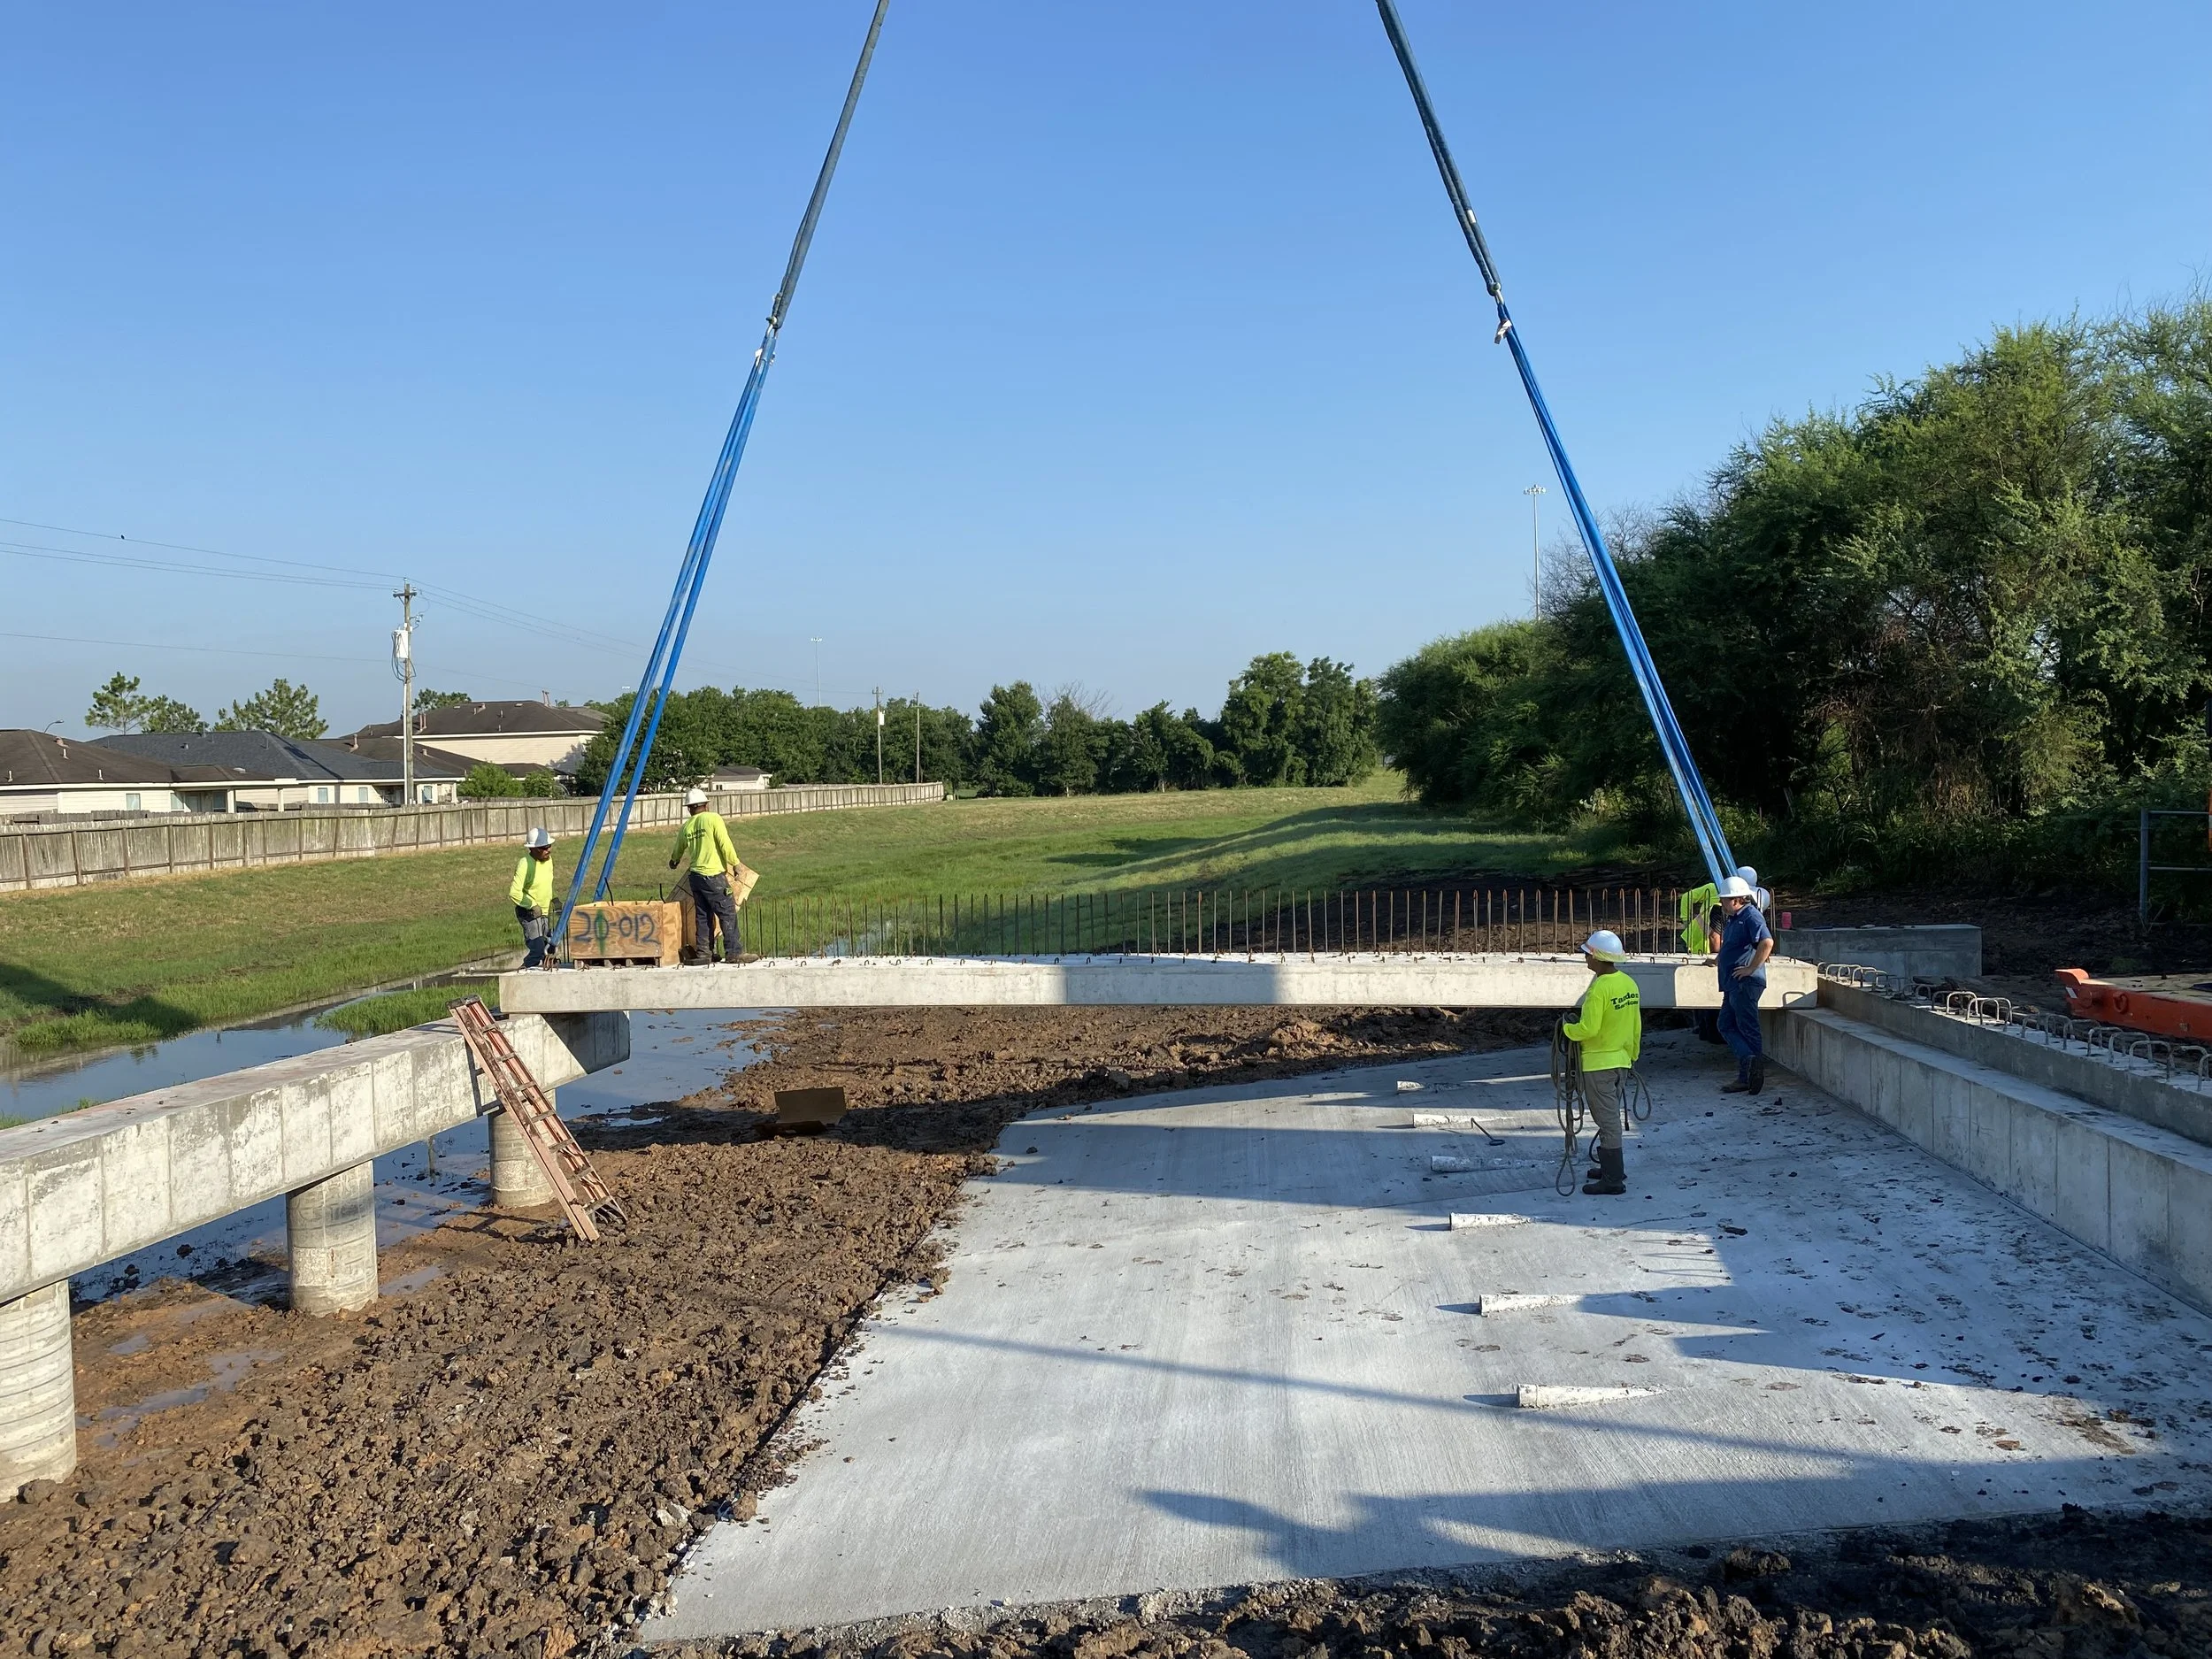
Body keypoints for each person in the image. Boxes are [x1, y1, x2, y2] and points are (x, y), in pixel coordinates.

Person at [1562, 929, 1641, 1196]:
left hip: (1599, 1065)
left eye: (1588, 954)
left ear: (1597, 956)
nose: (1586, 959)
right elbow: (1636, 1026)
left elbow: (1589, 1029)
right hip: (1621, 1061)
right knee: (1610, 1117)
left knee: (1607, 1121)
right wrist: (1632, 1055)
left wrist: (1567, 1030)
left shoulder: (1599, 989)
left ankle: (1613, 1179)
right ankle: (1611, 1168)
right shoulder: (1628, 984)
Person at [669, 786, 744, 964]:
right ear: (706, 805)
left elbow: (678, 850)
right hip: (714, 876)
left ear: (689, 808)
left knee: (703, 915)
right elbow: (724, 843)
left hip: (695, 878)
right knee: (727, 912)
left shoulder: (687, 826)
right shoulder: (713, 819)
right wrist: (736, 863)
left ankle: (704, 953)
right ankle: (733, 953)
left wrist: (674, 861)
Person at [1714, 875, 1774, 1093]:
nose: (1722, 903)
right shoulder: (1734, 917)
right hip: (1733, 983)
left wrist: (1750, 969)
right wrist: (1718, 959)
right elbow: (1733, 946)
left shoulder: (1751, 916)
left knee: (1747, 1028)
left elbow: (1767, 942)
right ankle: (1747, 1066)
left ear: (1737, 899)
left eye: (1724, 899)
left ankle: (1751, 1072)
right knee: (1725, 1025)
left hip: (1745, 983)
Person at [509, 826, 557, 969]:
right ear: (533, 849)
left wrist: (554, 899)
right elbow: (514, 892)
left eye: (549, 846)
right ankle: (521, 975)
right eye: (545, 848)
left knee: (549, 948)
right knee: (537, 951)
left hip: (544, 912)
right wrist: (531, 905)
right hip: (530, 913)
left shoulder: (548, 860)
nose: (549, 850)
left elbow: (546, 884)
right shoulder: (525, 864)